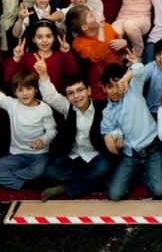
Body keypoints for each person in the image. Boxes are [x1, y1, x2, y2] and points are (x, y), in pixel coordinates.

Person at [0, 64, 57, 190]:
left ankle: (15, 178)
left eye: (28, 89)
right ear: (15, 92)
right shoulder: (12, 104)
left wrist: (43, 140)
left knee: (38, 171)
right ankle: (26, 184)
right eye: (20, 90)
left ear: (35, 89)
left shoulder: (44, 108)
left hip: (38, 155)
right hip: (17, 155)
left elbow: (52, 130)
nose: (25, 93)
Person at [37, 61, 114, 201]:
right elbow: (51, 96)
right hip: (74, 156)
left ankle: (65, 188)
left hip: (95, 155)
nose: (76, 96)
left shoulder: (103, 108)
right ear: (67, 97)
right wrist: (43, 74)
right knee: (50, 172)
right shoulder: (67, 108)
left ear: (89, 91)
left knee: (104, 167)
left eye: (80, 90)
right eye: (71, 93)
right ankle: (92, 181)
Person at [100, 58, 162, 201]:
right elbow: (110, 130)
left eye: (118, 85)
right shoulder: (107, 112)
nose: (115, 91)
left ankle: (143, 174)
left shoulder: (133, 90)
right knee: (115, 194)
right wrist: (110, 137)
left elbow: (140, 68)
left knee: (159, 191)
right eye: (110, 87)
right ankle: (137, 172)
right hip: (131, 154)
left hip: (152, 148)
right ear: (104, 88)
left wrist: (126, 78)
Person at [67, 5, 126, 102]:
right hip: (101, 90)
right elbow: (99, 55)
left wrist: (124, 43)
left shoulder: (107, 26)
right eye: (90, 15)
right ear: (85, 27)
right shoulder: (78, 43)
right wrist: (101, 29)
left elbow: (120, 45)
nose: (94, 13)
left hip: (120, 81)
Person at [5, 19, 78, 92]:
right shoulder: (27, 57)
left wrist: (67, 54)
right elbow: (8, 79)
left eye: (48, 36)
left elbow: (75, 75)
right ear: (33, 39)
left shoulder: (61, 54)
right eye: (39, 37)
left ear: (54, 38)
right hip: (35, 100)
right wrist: (16, 58)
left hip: (58, 98)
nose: (44, 40)